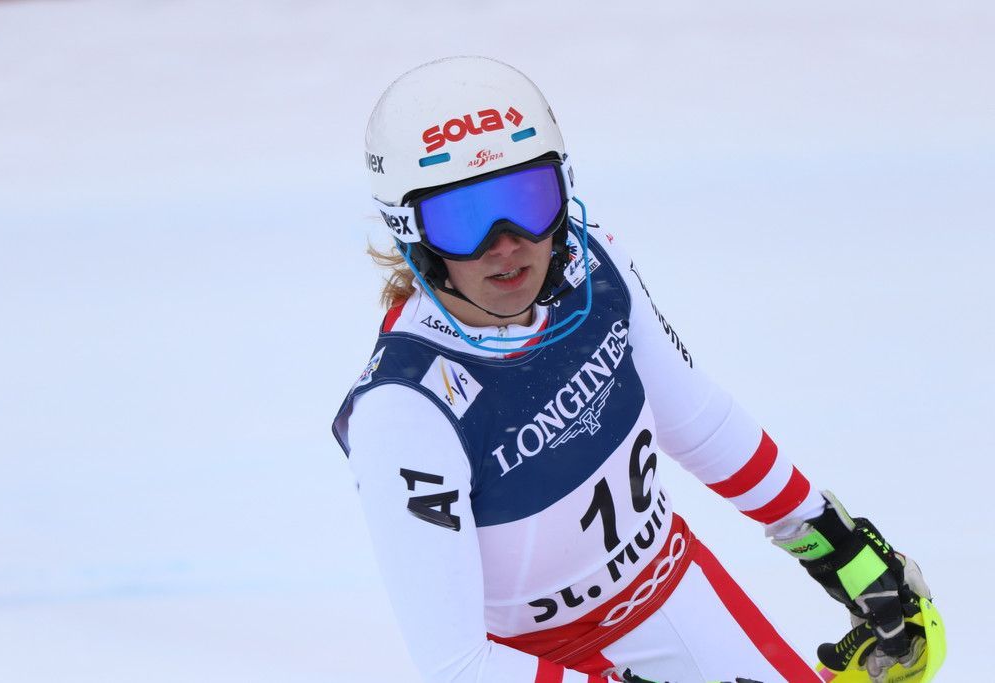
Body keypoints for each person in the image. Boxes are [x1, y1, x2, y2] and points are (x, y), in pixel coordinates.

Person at [332, 56, 941, 683]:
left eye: (528, 200)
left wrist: (830, 537)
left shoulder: (592, 270)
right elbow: (457, 665)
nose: (506, 243)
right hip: (529, 662)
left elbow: (695, 419)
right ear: (412, 231)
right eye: (465, 220)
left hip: (669, 584)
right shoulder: (405, 408)